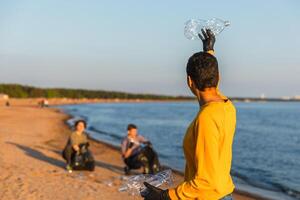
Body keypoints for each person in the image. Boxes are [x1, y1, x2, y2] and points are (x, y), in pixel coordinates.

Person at [142, 29, 236, 200]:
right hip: (224, 194)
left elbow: (206, 182)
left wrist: (166, 195)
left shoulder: (207, 118)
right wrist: (209, 52)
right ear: (218, 77)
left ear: (189, 81)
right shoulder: (227, 106)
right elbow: (211, 79)